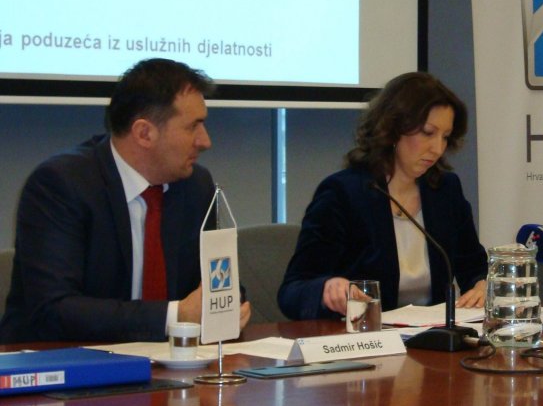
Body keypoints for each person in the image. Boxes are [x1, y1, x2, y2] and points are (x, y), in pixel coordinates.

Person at [0, 58, 252, 343]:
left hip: (171, 361)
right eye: (193, 126)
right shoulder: (62, 185)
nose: (205, 141)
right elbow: (54, 310)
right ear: (144, 133)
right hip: (60, 360)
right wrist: (175, 316)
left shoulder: (196, 185)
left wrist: (226, 304)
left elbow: (219, 284)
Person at [278, 72, 488, 320]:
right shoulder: (342, 193)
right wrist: (327, 288)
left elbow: (473, 267)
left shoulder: (445, 190)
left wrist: (482, 286)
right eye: (428, 133)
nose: (438, 148)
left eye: (445, 136)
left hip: (432, 336)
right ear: (393, 128)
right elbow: (293, 291)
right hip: (365, 334)